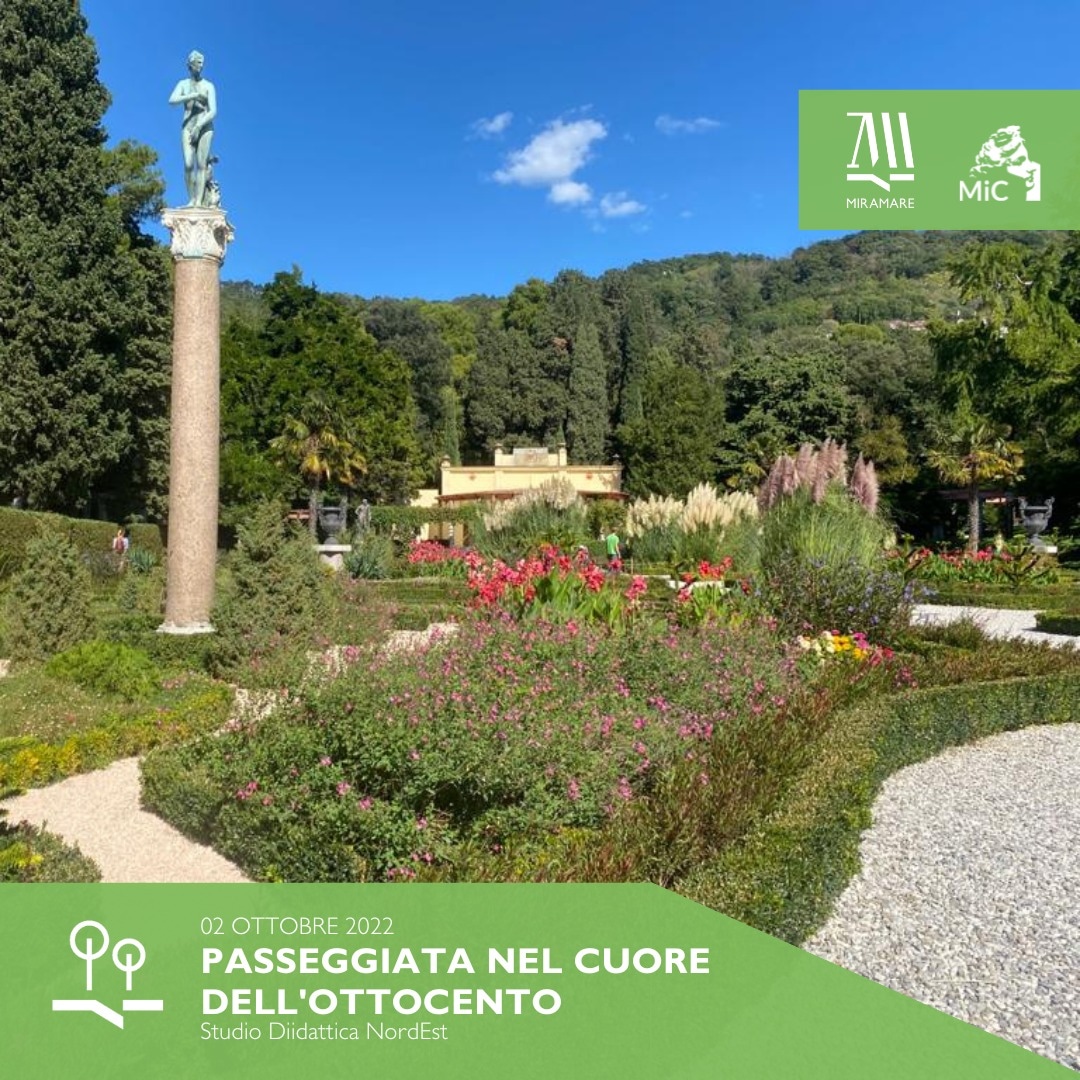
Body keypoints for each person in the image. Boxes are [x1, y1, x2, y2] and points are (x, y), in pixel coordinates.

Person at [168, 50, 217, 207]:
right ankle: (191, 199)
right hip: (188, 127)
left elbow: (213, 111)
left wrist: (199, 125)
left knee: (201, 164)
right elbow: (172, 100)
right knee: (189, 164)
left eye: (202, 62)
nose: (201, 65)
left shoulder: (208, 86)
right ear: (190, 64)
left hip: (204, 127)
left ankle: (198, 202)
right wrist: (193, 96)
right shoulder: (183, 84)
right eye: (198, 62)